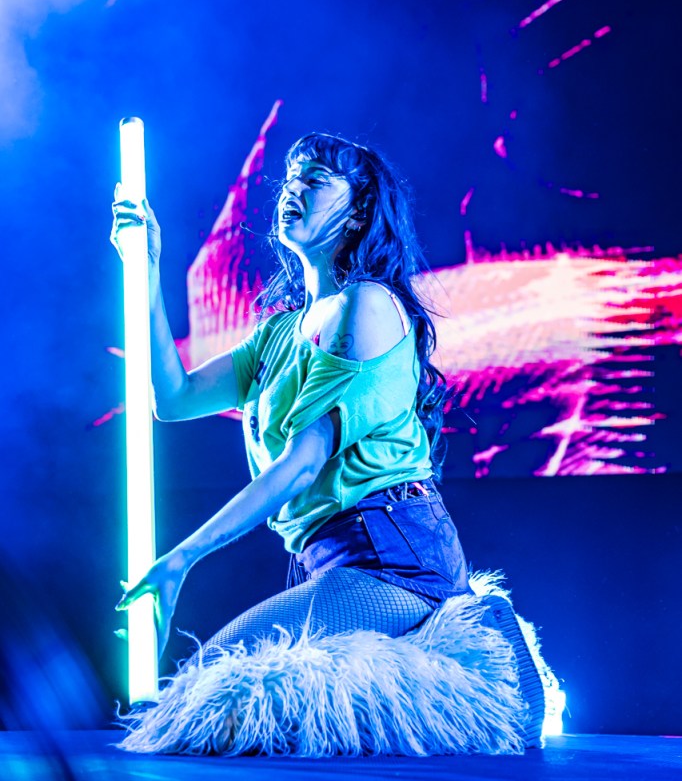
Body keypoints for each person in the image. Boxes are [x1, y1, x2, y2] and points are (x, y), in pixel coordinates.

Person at [111, 132, 547, 755]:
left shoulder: (367, 305)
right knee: (235, 708)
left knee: (216, 694)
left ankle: (487, 679)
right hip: (325, 557)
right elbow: (174, 398)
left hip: (391, 556)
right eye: (291, 178)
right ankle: (461, 681)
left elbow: (303, 461)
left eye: (315, 180)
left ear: (360, 211)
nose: (293, 189)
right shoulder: (279, 333)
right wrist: (145, 269)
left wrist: (182, 557)